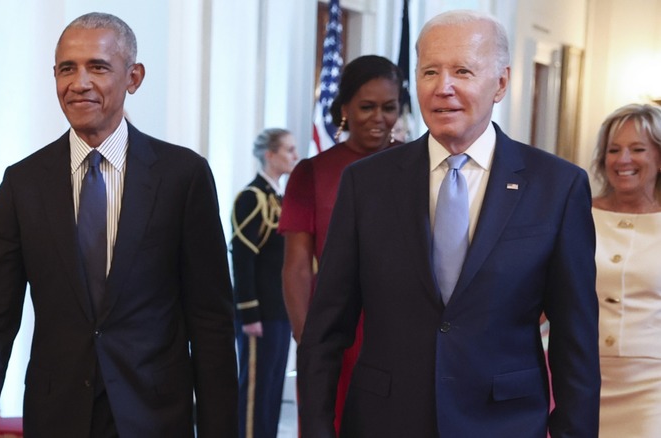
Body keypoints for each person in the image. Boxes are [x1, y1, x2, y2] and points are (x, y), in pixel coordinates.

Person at [297, 10, 600, 437]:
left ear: (500, 83)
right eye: (429, 72)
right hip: (385, 421)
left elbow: (576, 338)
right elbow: (326, 328)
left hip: (504, 423)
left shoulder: (557, 187)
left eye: (462, 70)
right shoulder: (365, 184)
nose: (444, 88)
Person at [0, 12, 238, 438]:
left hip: (156, 416)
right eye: (67, 68)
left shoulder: (183, 177)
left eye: (98, 67)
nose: (80, 82)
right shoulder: (23, 183)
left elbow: (211, 321)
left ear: (134, 77)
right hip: (57, 417)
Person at [279, 55, 401, 433]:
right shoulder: (311, 173)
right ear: (344, 107)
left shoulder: (418, 166)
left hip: (403, 333)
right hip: (335, 334)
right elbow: (297, 266)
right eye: (367, 107)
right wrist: (311, 342)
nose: (378, 118)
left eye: (389, 107)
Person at [591, 103, 661, 437]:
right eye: (613, 150)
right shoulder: (578, 213)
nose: (623, 160)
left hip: (653, 384)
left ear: (659, 157)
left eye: (637, 149)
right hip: (583, 377)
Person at [231, 128, 298, 438]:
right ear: (270, 155)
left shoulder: (280, 198)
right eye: (288, 150)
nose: (294, 156)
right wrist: (249, 312)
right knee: (255, 393)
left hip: (279, 310)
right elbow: (242, 258)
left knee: (272, 390)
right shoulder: (252, 197)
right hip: (260, 313)